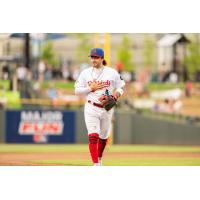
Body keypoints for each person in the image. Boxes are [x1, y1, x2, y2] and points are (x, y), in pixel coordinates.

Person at [74, 48, 125, 166]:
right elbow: (77, 90)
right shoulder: (85, 73)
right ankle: (96, 164)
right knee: (93, 136)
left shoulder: (112, 72)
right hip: (91, 107)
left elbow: (121, 85)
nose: (93, 59)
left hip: (107, 108)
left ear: (102, 58)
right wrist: (90, 88)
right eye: (92, 57)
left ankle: (100, 158)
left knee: (103, 137)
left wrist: (116, 95)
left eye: (96, 57)